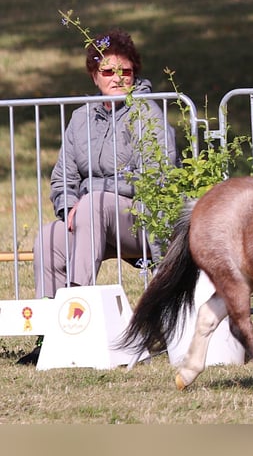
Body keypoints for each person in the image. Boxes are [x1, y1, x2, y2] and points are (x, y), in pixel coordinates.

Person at [18, 28, 176, 365]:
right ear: (94, 75)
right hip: (92, 221)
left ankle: (76, 322)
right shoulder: (80, 119)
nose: (117, 79)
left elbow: (159, 178)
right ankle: (48, 335)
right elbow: (62, 178)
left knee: (93, 203)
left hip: (141, 220)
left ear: (135, 73)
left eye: (126, 72)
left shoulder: (147, 114)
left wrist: (95, 200)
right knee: (49, 238)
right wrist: (67, 206)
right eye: (108, 71)